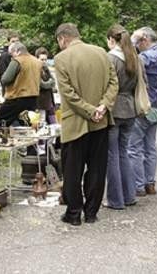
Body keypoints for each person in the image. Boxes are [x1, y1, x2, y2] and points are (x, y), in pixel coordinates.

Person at [54, 23, 118, 225]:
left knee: (72, 170)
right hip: (101, 121)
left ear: (62, 39)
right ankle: (91, 212)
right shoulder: (101, 52)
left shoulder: (61, 58)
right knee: (97, 168)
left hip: (76, 123)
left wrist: (90, 111)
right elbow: (113, 83)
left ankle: (74, 214)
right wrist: (103, 107)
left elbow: (68, 95)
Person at [105, 24, 143, 210]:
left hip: (115, 109)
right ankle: (129, 195)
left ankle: (115, 199)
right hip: (130, 108)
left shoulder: (111, 58)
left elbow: (106, 86)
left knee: (112, 155)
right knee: (123, 152)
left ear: (112, 40)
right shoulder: (134, 58)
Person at [129, 27, 157, 196]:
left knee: (134, 148)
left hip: (143, 106)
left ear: (144, 40)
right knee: (150, 147)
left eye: (138, 42)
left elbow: (130, 62)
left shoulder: (146, 57)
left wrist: (131, 41)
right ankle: (150, 183)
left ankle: (138, 186)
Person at [0, 41, 42, 129]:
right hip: (33, 99)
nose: (11, 57)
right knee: (28, 124)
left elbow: (5, 79)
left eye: (12, 54)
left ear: (17, 51)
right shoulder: (37, 62)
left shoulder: (17, 61)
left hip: (17, 97)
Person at [34, 47, 56, 125]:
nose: (44, 62)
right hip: (40, 102)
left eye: (45, 59)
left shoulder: (46, 69)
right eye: (42, 59)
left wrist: (50, 83)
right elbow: (42, 84)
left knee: (53, 123)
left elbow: (53, 82)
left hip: (49, 101)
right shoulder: (35, 70)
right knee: (41, 122)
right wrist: (49, 83)